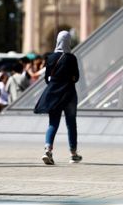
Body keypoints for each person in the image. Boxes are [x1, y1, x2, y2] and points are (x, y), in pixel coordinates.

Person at [34, 31, 82, 165]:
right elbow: (76, 77)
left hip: (54, 94)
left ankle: (48, 150)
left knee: (53, 123)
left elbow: (47, 78)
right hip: (69, 94)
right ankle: (73, 154)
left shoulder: (50, 58)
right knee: (71, 123)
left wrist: (55, 83)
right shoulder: (72, 58)